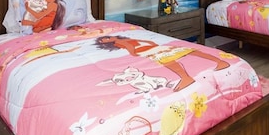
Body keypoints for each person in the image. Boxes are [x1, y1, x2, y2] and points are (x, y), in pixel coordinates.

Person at [95, 35, 229, 91]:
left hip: (149, 50)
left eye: (105, 38)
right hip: (151, 48)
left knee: (171, 59)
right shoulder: (125, 38)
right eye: (104, 40)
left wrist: (135, 54)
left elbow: (131, 49)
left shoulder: (120, 41)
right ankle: (220, 62)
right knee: (186, 51)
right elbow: (146, 42)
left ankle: (186, 78)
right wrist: (151, 45)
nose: (107, 39)